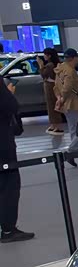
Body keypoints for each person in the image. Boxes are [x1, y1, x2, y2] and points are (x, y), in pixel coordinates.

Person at [0, 77, 34, 243]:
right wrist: (9, 93)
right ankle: (8, 229)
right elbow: (10, 106)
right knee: (9, 186)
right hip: (2, 145)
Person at [54, 48, 78, 167]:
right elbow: (67, 87)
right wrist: (63, 98)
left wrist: (59, 99)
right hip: (74, 103)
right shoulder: (70, 71)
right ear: (74, 58)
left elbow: (56, 87)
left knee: (74, 130)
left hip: (66, 104)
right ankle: (70, 152)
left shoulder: (60, 69)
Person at [38, 48, 64, 135]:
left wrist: (41, 65)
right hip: (52, 85)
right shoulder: (55, 64)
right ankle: (54, 125)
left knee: (52, 105)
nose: (44, 56)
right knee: (52, 105)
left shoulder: (50, 65)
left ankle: (57, 126)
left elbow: (43, 74)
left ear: (49, 55)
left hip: (50, 86)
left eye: (45, 54)